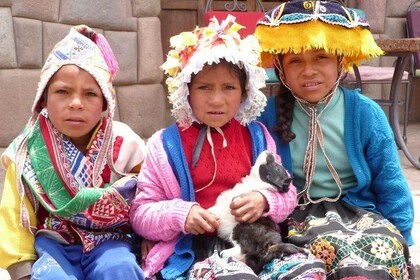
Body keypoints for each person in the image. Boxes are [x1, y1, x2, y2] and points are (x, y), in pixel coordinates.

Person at [129, 15, 326, 280]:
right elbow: (141, 214)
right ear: (186, 90)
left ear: (245, 92)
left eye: (229, 87)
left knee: (308, 272)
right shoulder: (165, 146)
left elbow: (288, 193)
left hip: (260, 245)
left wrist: (264, 201)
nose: (217, 99)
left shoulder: (257, 137)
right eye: (204, 87)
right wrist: (180, 214)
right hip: (197, 253)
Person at [254, 0, 415, 278]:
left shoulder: (365, 114)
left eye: (321, 57)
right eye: (295, 60)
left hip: (359, 212)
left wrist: (403, 235)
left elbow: (390, 182)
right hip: (296, 215)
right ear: (280, 68)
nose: (309, 70)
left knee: (383, 250)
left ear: (341, 60)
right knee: (310, 257)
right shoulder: (267, 118)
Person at [0, 25, 147, 280]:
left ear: (105, 103)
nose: (76, 103)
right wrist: (21, 268)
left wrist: (152, 240)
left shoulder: (125, 143)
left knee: (120, 269)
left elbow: (151, 194)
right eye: (62, 92)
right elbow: (15, 216)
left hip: (111, 242)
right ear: (43, 99)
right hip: (53, 245)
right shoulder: (27, 150)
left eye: (90, 94)